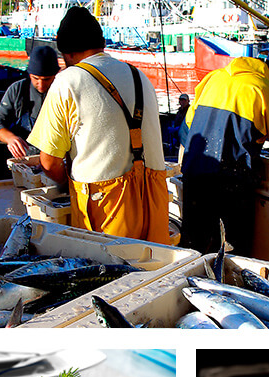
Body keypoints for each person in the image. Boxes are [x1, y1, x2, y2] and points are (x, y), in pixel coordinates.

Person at [27, 7, 169, 244]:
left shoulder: (68, 80)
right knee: (152, 269)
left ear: (66, 53)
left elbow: (49, 162)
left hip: (106, 207)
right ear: (101, 44)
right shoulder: (139, 75)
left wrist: (64, 184)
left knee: (112, 274)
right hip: (154, 198)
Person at [179, 48, 269, 255]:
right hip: (231, 181)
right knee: (230, 252)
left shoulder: (213, 78)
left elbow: (189, 123)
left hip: (194, 173)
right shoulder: (264, 88)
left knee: (193, 248)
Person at [0, 45, 60, 158]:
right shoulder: (17, 90)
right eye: (36, 78)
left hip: (55, 157)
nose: (41, 84)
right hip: (24, 157)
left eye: (46, 79)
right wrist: (10, 138)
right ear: (29, 74)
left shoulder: (64, 92)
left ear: (56, 75)